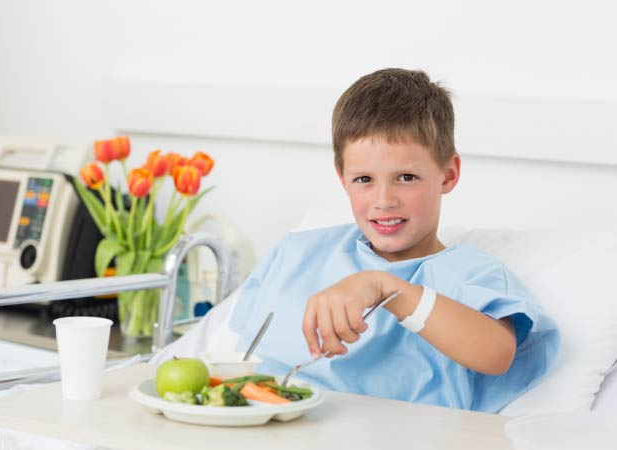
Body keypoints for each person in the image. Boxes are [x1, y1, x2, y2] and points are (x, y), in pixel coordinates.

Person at [227, 68, 560, 413]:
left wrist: (385, 288)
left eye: (406, 177)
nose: (384, 199)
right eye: (364, 179)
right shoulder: (298, 253)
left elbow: (496, 354)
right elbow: (242, 358)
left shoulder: (469, 274)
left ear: (448, 174)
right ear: (342, 178)